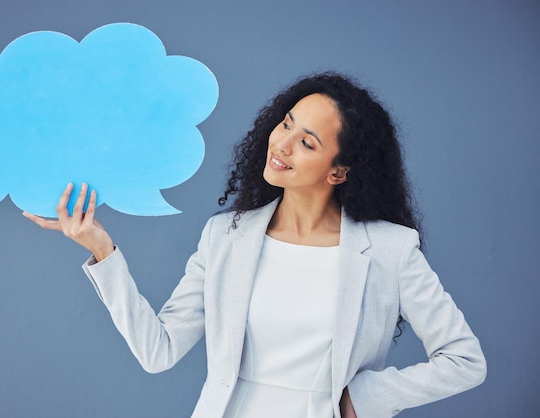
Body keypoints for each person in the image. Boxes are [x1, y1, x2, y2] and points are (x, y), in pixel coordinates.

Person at [24, 72, 486, 417]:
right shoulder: (226, 236)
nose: (281, 144)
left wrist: (363, 398)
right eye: (285, 124)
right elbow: (158, 352)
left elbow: (465, 361)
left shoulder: (390, 250)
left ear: (339, 171)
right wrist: (102, 250)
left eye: (306, 141)